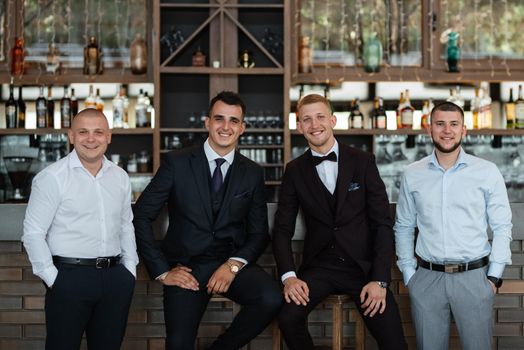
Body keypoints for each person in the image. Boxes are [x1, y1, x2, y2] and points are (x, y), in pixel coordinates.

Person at [133, 91, 282, 350]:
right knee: (179, 344)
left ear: (242, 127)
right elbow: (141, 216)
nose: (226, 127)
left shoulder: (253, 173)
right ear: (207, 122)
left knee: (270, 298)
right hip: (187, 269)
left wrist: (233, 266)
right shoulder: (176, 163)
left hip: (229, 262)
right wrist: (162, 272)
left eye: (234, 121)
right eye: (219, 119)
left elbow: (259, 233)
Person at [272, 94, 407, 350]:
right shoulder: (294, 170)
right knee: (288, 316)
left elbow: (381, 224)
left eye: (320, 117)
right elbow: (282, 229)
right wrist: (289, 276)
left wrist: (379, 280)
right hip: (319, 267)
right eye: (307, 120)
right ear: (299, 126)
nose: (314, 125)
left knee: (393, 339)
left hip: (362, 269)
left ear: (333, 120)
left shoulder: (363, 161)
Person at [395, 101, 512, 350]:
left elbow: (502, 226)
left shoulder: (487, 172)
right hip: (426, 279)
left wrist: (494, 277)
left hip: (475, 278)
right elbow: (403, 226)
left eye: (453, 124)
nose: (447, 130)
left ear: (464, 130)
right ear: (429, 129)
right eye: (440, 124)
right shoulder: (412, 173)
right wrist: (409, 276)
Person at [22, 109, 138, 350]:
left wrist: (129, 270)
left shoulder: (120, 177)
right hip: (69, 277)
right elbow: (33, 234)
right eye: (83, 132)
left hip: (115, 277)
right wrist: (53, 279)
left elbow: (126, 225)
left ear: (109, 136)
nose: (91, 139)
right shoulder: (52, 178)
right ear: (71, 136)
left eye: (98, 132)